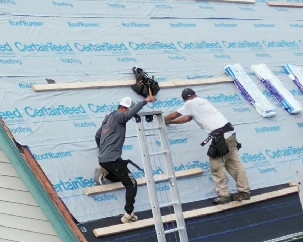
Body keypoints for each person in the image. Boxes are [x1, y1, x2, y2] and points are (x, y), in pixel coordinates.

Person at [165, 88, 250, 205]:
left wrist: (162, 120)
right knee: (234, 164)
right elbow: (188, 118)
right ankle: (244, 191)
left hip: (221, 137)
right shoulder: (203, 101)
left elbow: (174, 115)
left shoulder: (189, 103)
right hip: (230, 133)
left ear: (184, 99)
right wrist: (171, 123)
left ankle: (224, 195)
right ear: (195, 94)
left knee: (216, 166)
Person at [95, 92, 154, 223]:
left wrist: (103, 151)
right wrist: (145, 101)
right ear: (124, 108)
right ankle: (128, 214)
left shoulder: (108, 117)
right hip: (112, 159)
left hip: (104, 159)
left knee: (120, 175)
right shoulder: (118, 116)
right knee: (131, 183)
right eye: (128, 110)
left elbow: (97, 136)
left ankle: (106, 173)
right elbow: (127, 115)